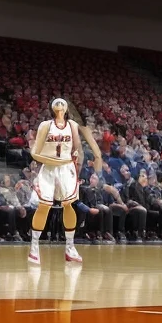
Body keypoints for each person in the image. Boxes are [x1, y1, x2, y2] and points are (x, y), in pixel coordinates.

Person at [27, 98, 103, 264]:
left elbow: (77, 149)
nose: (60, 105)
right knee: (44, 206)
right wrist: (53, 161)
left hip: (66, 169)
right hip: (49, 167)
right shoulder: (45, 125)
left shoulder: (73, 126)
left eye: (63, 103)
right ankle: (34, 247)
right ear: (51, 107)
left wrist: (92, 157)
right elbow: (35, 153)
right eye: (57, 103)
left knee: (69, 205)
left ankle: (70, 247)